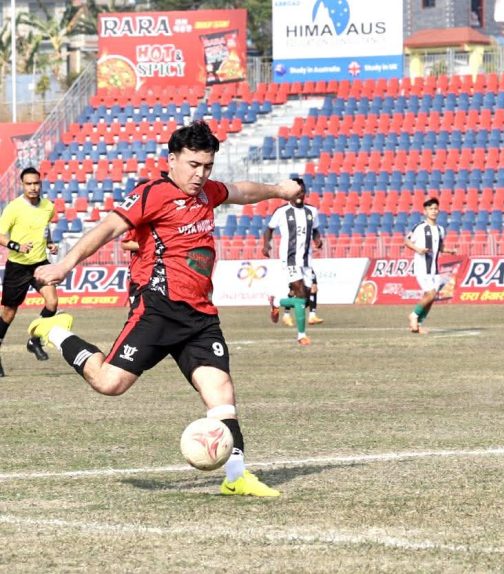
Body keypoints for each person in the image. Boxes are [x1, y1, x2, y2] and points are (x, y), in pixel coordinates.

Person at [28, 120, 301, 497]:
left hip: (200, 315)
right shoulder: (152, 193)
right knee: (109, 383)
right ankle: (55, 330)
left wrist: (278, 190)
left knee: (221, 391)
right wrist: (64, 265)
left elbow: (240, 191)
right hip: (157, 307)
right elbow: (108, 229)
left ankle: (236, 475)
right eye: (193, 165)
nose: (200, 174)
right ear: (172, 160)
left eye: (207, 166)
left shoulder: (207, 192)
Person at [0, 166, 60, 375]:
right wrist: (17, 246)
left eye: (36, 183)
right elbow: (1, 235)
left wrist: (50, 243)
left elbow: (45, 227)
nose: (33, 187)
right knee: (9, 312)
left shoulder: (48, 206)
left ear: (40, 184)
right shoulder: (13, 208)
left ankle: (34, 340)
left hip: (40, 264)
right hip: (17, 266)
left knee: (52, 303)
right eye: (29, 184)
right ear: (22, 185)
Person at [261, 177, 322, 345]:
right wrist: (266, 245)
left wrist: (317, 240)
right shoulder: (282, 211)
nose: (300, 195)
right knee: (300, 293)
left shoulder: (312, 211)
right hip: (290, 260)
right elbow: (269, 229)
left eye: (302, 192)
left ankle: (276, 302)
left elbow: (315, 230)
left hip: (306, 261)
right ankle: (301, 336)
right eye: (297, 192)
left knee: (305, 300)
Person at [404, 197, 458, 334]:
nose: (433, 211)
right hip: (422, 266)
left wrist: (449, 251)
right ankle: (413, 315)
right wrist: (418, 249)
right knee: (430, 294)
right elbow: (407, 241)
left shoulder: (440, 229)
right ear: (425, 211)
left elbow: (439, 247)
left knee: (431, 297)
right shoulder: (420, 227)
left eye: (435, 209)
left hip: (434, 269)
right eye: (431, 209)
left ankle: (417, 325)